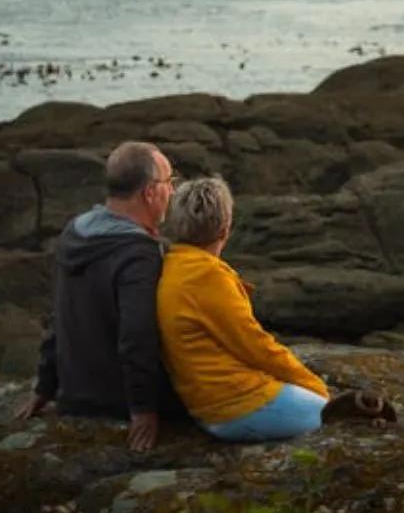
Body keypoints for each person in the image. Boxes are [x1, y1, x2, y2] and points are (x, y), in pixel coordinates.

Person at [19, 141, 187, 451]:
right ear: (150, 192)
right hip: (116, 402)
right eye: (168, 183)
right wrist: (143, 410)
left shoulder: (74, 233)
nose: (173, 192)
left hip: (73, 394)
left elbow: (58, 314)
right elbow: (137, 336)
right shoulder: (138, 254)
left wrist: (45, 385)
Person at [157, 175, 338, 442]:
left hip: (210, 404)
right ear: (225, 229)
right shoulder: (207, 276)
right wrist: (316, 387)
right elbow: (255, 345)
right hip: (238, 405)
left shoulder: (173, 265)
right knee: (348, 422)